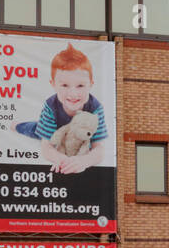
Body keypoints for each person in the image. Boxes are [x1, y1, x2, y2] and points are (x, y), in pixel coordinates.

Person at [13, 43, 107, 173]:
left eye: (80, 86)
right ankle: (16, 125)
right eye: (64, 85)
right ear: (53, 84)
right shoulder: (51, 105)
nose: (73, 93)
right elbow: (46, 147)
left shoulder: (95, 108)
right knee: (33, 129)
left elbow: (99, 148)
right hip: (55, 131)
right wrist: (63, 160)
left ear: (91, 84)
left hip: (78, 136)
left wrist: (83, 161)